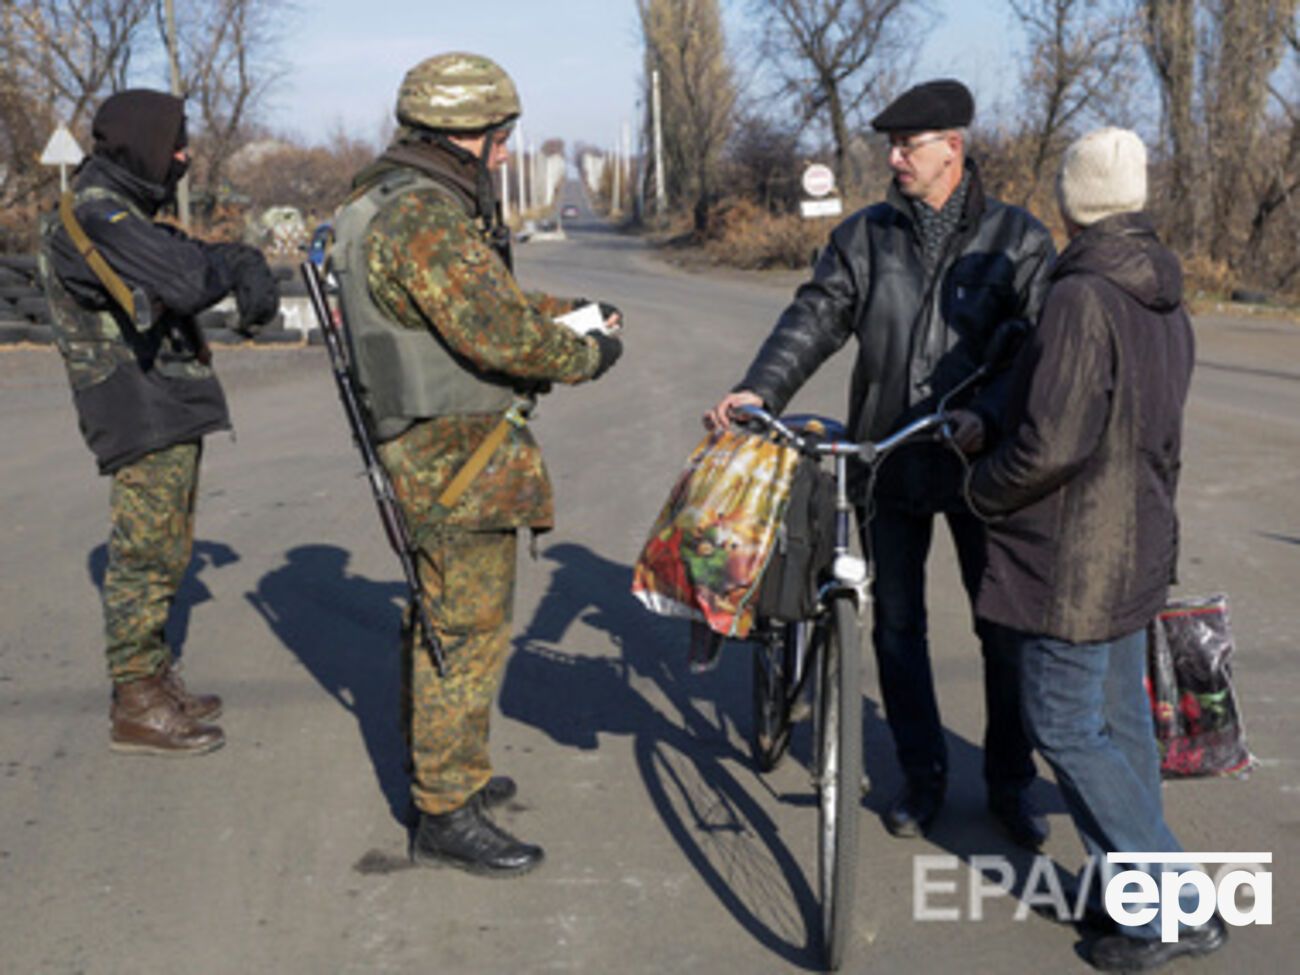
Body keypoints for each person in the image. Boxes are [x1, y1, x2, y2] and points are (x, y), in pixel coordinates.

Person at [706, 79, 1056, 847]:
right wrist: (758, 389)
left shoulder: (1019, 239)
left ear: (951, 149)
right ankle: (922, 775)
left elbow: (1034, 354)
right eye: (891, 145)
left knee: (1002, 630)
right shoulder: (865, 237)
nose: (893, 158)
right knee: (897, 625)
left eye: (908, 145)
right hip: (885, 455)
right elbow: (815, 317)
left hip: (977, 464)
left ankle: (1009, 781)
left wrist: (987, 415)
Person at [329, 52, 624, 877]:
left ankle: (453, 776)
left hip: (443, 445)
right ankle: (444, 808)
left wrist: (573, 313)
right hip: (452, 452)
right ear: (467, 133)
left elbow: (483, 301)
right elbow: (497, 334)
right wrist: (585, 353)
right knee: (463, 630)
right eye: (499, 138)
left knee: (455, 623)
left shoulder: (391, 198)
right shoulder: (423, 215)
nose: (503, 153)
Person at [967, 127, 1225, 970]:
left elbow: (1053, 444)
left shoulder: (1082, 296)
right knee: (1119, 726)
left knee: (1067, 725)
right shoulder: (1160, 292)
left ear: (1074, 200)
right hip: (1136, 542)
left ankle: (1176, 904)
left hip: (1076, 556)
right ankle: (1134, 894)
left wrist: (982, 485)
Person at [38, 88, 279, 757]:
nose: (183, 154)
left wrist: (230, 256)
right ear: (141, 143)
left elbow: (173, 255)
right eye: (173, 142)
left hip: (159, 397)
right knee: (145, 555)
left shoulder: (120, 209)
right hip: (133, 402)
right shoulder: (95, 210)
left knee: (169, 546)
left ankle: (154, 676)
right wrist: (230, 262)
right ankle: (136, 700)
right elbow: (184, 278)